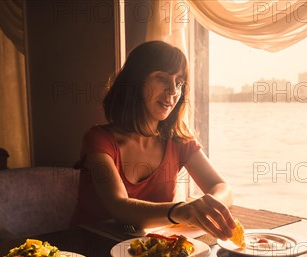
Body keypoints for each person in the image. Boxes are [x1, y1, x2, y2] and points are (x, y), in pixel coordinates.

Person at [71, 40, 235, 240]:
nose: (173, 91)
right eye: (162, 78)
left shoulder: (178, 140)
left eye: (179, 82)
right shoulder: (99, 140)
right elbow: (119, 206)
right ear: (135, 81)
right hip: (89, 251)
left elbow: (223, 188)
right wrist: (181, 211)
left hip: (144, 254)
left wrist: (208, 204)